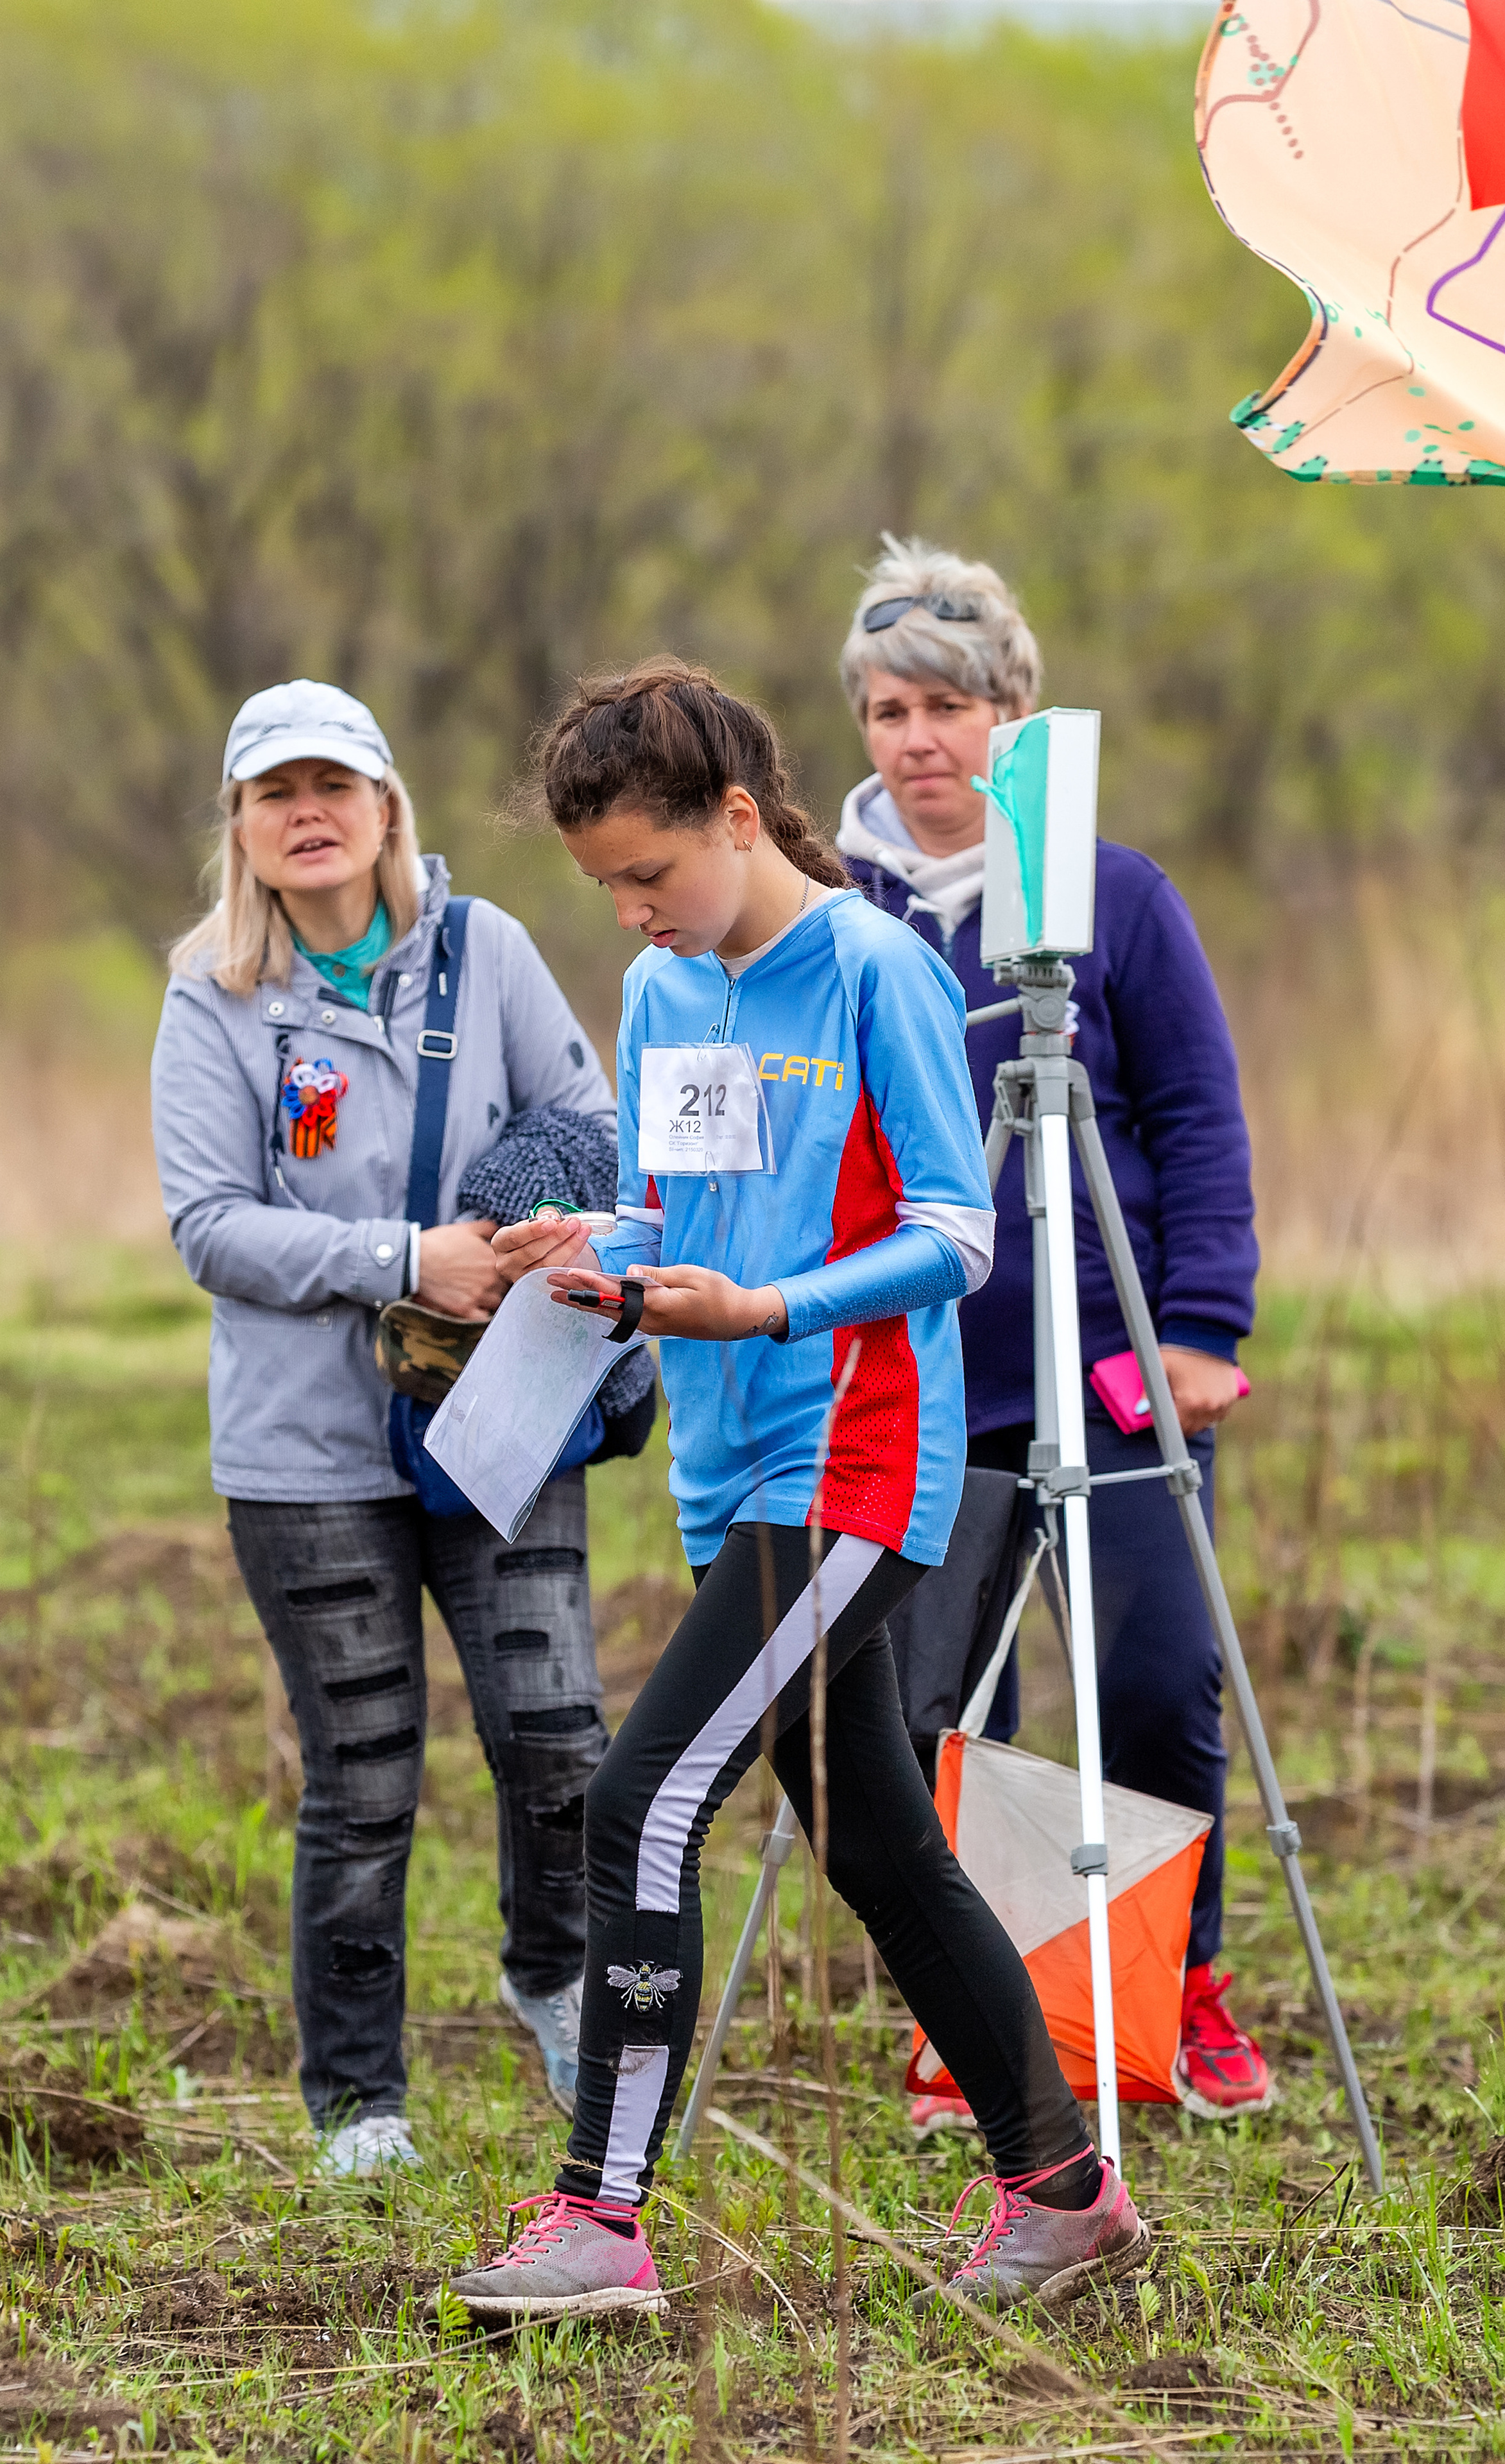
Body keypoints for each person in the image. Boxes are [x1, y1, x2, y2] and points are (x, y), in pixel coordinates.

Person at [445, 658, 1149, 2322]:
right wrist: (589, 1251)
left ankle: (599, 2218)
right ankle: (1065, 2191)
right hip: (727, 1473)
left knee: (643, 1801)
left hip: (859, 1458)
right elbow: (679, 1213)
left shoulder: (875, 971)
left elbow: (959, 1234)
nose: (629, 914)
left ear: (741, 819)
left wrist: (770, 1308)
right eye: (605, 885)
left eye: (647, 874)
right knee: (879, 1845)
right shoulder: (662, 998)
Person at [151, 678, 642, 2175]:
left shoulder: (484, 951)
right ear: (240, 827)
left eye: (333, 787)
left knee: (557, 1745)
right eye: (272, 794)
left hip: (502, 1415)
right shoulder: (212, 992)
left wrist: (524, 1226)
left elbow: (591, 1118)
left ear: (384, 808)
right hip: (304, 1458)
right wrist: (400, 1260)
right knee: (361, 1780)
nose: (307, 815)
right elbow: (209, 1226)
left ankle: (553, 1981)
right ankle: (359, 2101)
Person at [835, 538, 1268, 2126]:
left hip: (1110, 1366)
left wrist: (1200, 1326)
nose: (917, 739)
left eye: (947, 704)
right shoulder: (834, 908)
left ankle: (1171, 1987)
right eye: (887, 709)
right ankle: (992, 2013)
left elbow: (1198, 1123)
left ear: (1011, 714)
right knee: (944, 1700)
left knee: (1151, 1681)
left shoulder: (1113, 893)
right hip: (925, 1376)